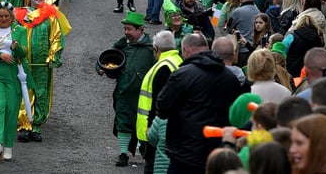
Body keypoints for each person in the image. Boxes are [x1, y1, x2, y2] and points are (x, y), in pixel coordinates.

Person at [157, 33, 241, 174]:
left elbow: (162, 108)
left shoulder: (182, 74)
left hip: (185, 153)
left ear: (185, 50)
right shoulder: (230, 78)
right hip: (217, 153)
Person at [97, 11, 154, 167]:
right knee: (123, 122)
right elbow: (106, 57)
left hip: (142, 96)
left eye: (129, 29)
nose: (126, 32)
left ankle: (145, 151)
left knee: (141, 124)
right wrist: (101, 68)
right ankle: (123, 154)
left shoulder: (151, 48)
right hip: (122, 91)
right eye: (125, 29)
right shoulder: (122, 44)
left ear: (140, 30)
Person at [14, 0, 69, 143]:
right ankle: (24, 125)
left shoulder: (51, 16)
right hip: (22, 62)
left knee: (41, 92)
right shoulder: (20, 14)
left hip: (42, 65)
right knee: (24, 92)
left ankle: (36, 125)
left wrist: (53, 56)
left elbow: (57, 37)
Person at [0, 2, 34, 161]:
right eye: (0, 16)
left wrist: (16, 48)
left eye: (6, 16)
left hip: (14, 77)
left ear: (12, 16)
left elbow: (24, 52)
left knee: (11, 112)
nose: (3, 19)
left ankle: (9, 146)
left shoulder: (21, 31)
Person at [136, 30, 183, 174]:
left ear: (155, 49)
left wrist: (151, 131)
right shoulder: (178, 61)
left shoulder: (163, 67)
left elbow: (159, 103)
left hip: (155, 133)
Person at [228, 0, 261, 67]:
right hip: (253, 50)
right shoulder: (258, 11)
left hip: (241, 50)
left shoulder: (238, 11)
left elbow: (229, 28)